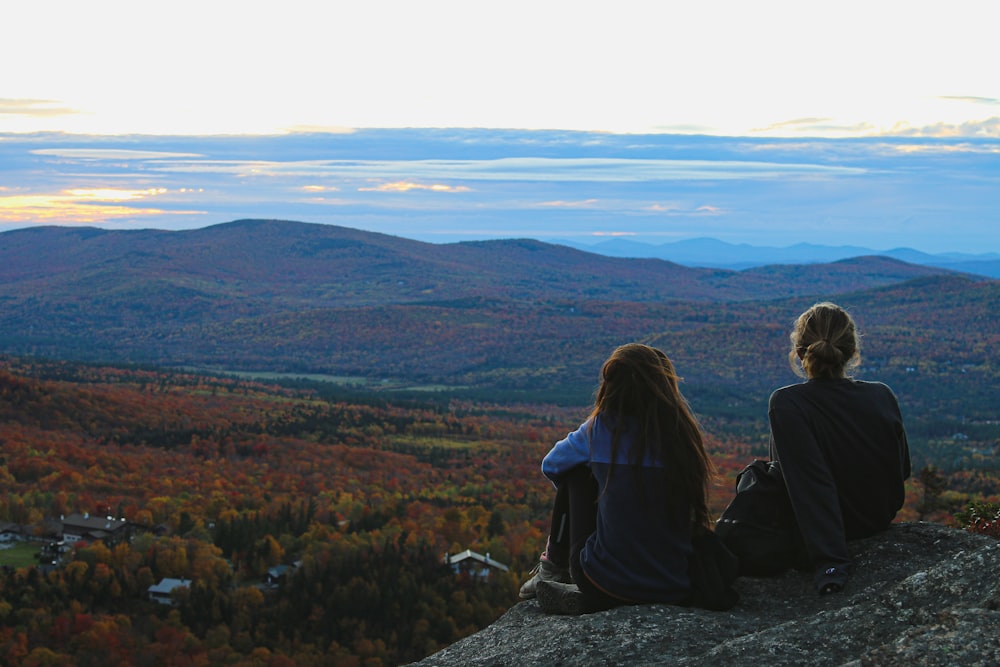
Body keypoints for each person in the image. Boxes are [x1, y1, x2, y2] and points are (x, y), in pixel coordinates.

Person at [518, 343, 716, 614]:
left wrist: (596, 495)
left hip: (602, 581)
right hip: (673, 584)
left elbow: (552, 465)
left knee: (575, 472)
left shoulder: (601, 429)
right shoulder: (682, 436)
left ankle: (552, 569)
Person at [768, 302, 911, 595]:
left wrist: (830, 562)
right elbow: (902, 470)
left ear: (799, 353)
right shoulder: (882, 395)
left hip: (823, 536)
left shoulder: (788, 403)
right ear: (851, 352)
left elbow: (809, 485)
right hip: (876, 520)